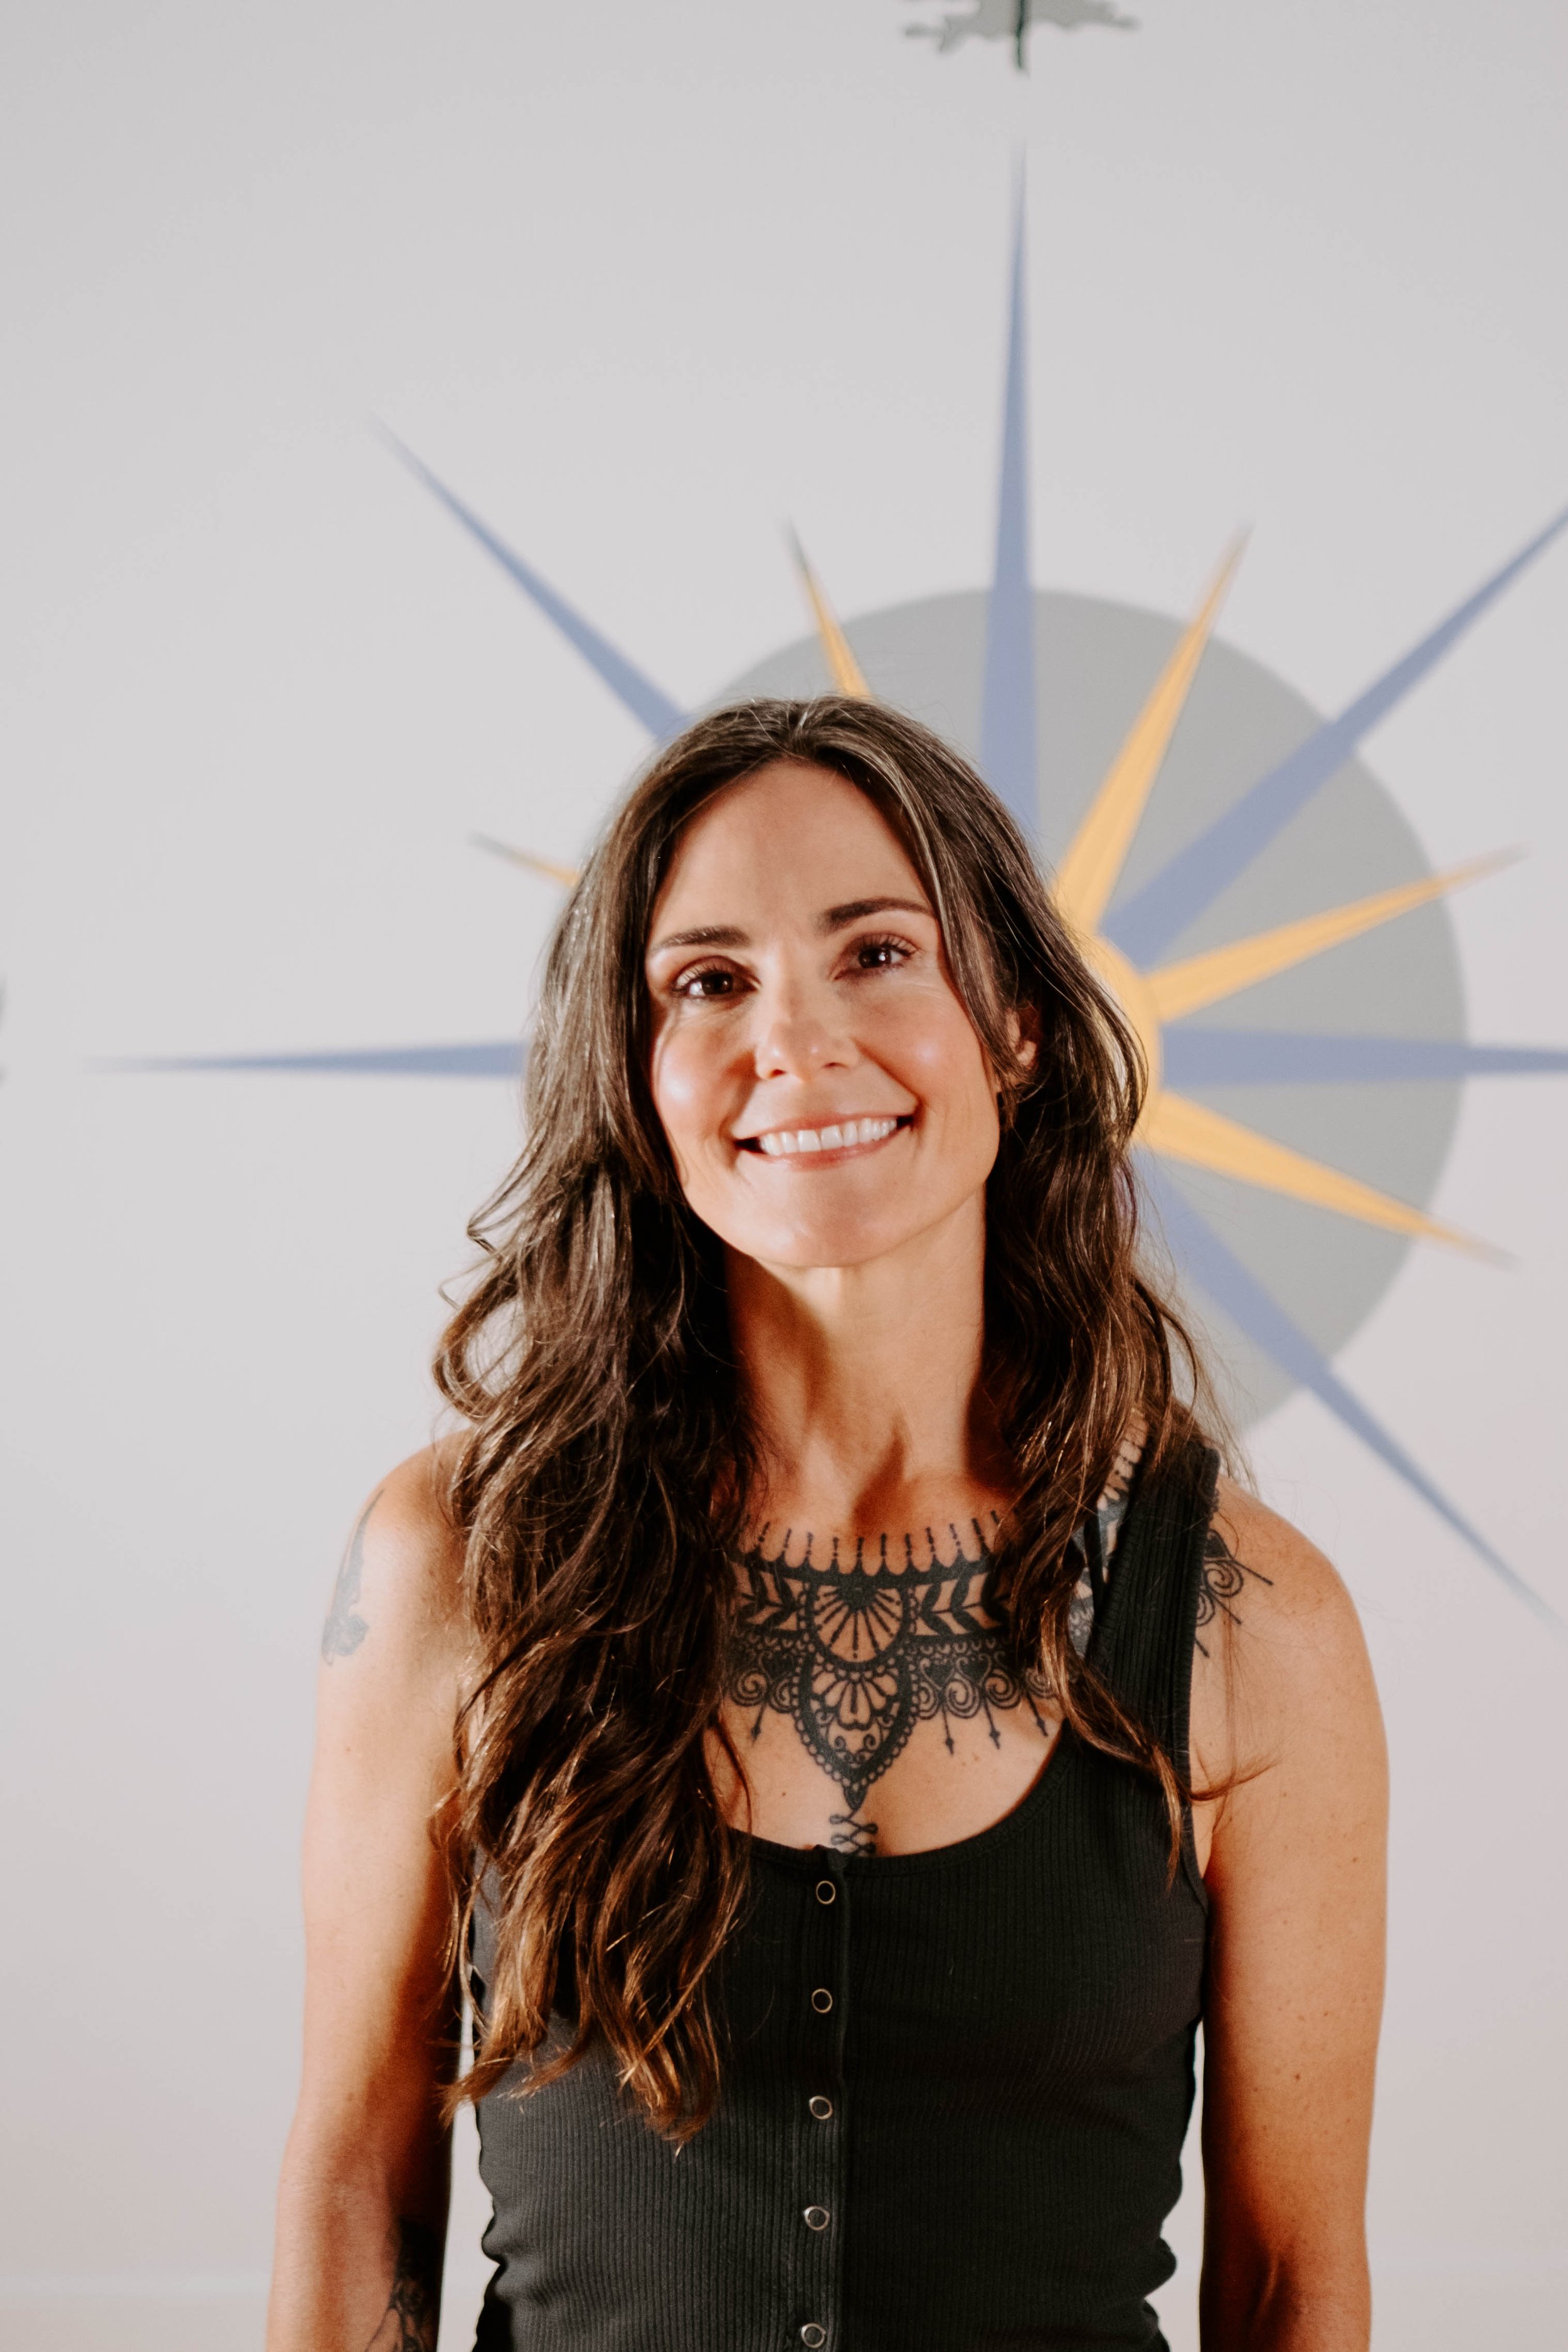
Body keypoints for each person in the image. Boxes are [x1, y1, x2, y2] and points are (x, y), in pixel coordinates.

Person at [267, 697, 1387, 2352]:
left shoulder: (1251, 1618)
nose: (791, 1040)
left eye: (874, 953)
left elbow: (1291, 2279)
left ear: (1010, 1022)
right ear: (633, 1073)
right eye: (705, 982)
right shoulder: (457, 1558)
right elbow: (359, 2178)